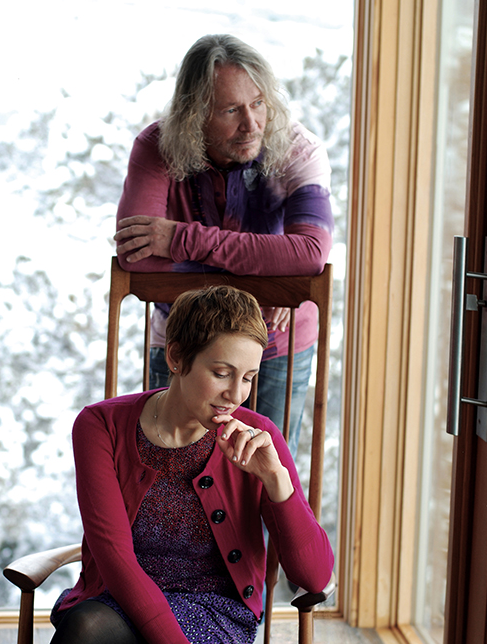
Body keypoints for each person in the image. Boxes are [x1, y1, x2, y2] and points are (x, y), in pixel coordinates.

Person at [0, 286, 334, 644]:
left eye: (249, 377)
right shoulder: (102, 426)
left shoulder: (258, 437)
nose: (236, 394)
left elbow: (315, 577)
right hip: (121, 603)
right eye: (222, 373)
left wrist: (278, 483)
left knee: (86, 630)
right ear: (176, 358)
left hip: (209, 619)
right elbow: (114, 559)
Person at [114, 34, 334, 456]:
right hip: (184, 345)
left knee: (264, 475)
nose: (251, 124)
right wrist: (270, 279)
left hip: (275, 344)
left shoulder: (299, 149)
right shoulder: (156, 147)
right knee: (167, 472)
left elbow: (308, 253)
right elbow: (137, 259)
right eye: (231, 110)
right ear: (194, 114)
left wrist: (180, 239)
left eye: (259, 103)